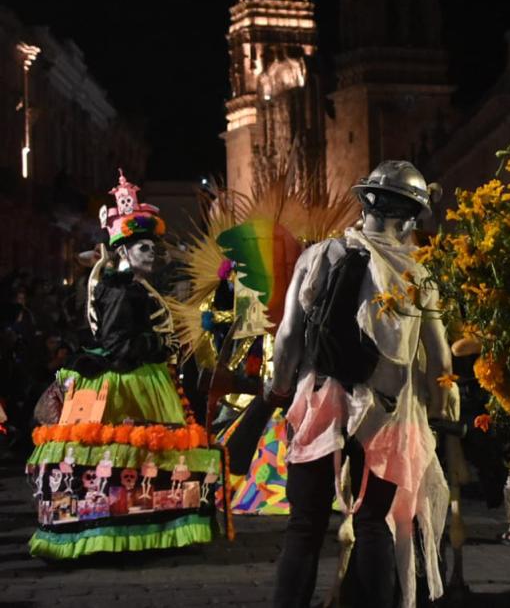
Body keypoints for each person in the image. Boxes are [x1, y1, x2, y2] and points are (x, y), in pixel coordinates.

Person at [268, 160, 454, 608]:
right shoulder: (418, 273)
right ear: (408, 217)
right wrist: (441, 407)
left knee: (305, 525)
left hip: (321, 404)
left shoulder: (319, 256)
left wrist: (279, 390)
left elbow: (288, 337)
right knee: (373, 524)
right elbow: (440, 357)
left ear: (366, 203)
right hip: (387, 415)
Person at [26, 172, 220, 559]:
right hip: (129, 381)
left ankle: (148, 524)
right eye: (144, 249)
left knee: (147, 457)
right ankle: (111, 528)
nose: (152, 255)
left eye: (152, 248)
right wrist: (159, 343)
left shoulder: (135, 287)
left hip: (145, 376)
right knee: (126, 453)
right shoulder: (120, 289)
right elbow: (117, 344)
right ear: (125, 252)